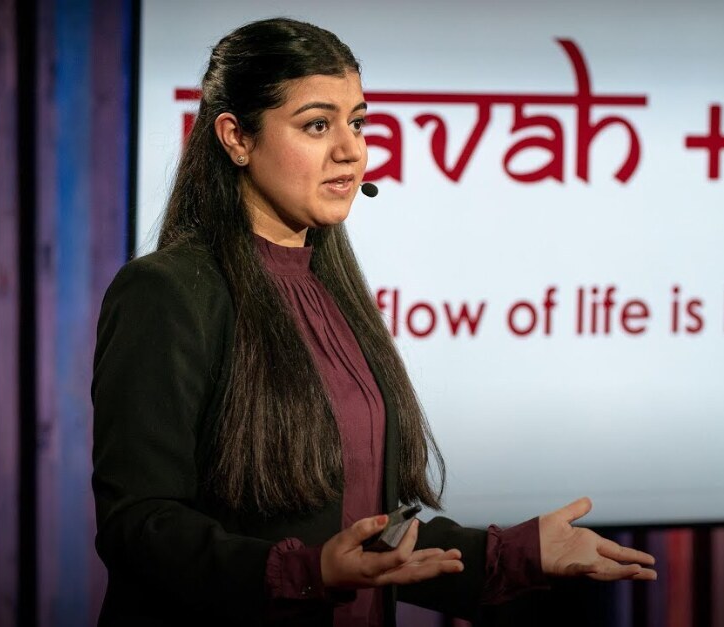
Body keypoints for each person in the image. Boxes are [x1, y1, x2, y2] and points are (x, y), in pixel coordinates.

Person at [91, 17, 656, 627]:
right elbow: (139, 526)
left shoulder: (333, 291)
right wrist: (308, 573)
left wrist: (516, 554)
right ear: (236, 137)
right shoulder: (166, 293)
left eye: (357, 122)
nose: (350, 150)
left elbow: (368, 530)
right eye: (317, 125)